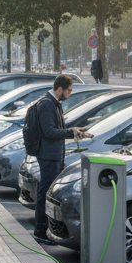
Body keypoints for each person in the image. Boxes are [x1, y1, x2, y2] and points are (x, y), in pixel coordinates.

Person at [34, 74, 92, 245]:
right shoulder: (46, 104)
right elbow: (49, 131)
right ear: (59, 89)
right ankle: (40, 231)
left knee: (48, 193)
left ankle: (47, 230)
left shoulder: (54, 103)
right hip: (48, 156)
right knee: (44, 193)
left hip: (54, 155)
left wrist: (74, 130)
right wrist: (70, 132)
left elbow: (57, 129)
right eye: (68, 90)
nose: (69, 94)